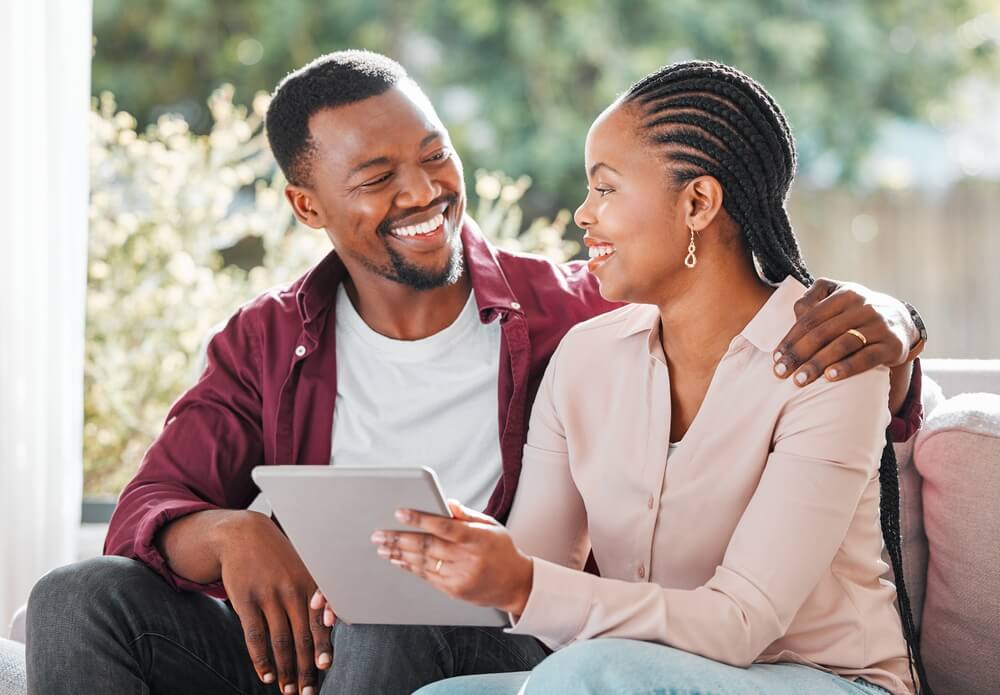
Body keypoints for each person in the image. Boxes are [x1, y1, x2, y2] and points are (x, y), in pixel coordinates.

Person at [25, 52, 926, 695]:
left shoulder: (570, 311)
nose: (423, 193)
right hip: (306, 642)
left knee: (389, 614)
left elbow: (745, 308)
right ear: (309, 205)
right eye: (377, 176)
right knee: (76, 597)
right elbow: (147, 509)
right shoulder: (268, 339)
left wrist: (899, 324)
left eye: (434, 155)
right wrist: (230, 535)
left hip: (477, 637)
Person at [373, 61, 931, 695]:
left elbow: (741, 623)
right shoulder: (585, 359)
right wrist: (452, 560)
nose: (583, 215)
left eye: (605, 190)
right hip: (635, 674)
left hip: (823, 679)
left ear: (697, 202)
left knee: (590, 672)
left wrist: (526, 584)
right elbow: (536, 574)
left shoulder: (826, 360)